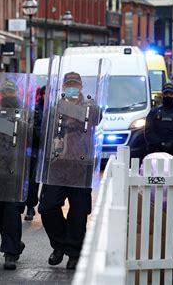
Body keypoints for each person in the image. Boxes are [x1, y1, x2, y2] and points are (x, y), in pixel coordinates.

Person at [38, 72, 101, 270]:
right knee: (47, 207)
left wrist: (72, 109)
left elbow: (97, 117)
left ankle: (74, 252)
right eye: (68, 84)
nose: (72, 87)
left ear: (81, 87)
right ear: (63, 87)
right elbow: (44, 129)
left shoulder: (90, 107)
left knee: (78, 212)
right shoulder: (55, 108)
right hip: (57, 166)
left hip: (81, 166)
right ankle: (60, 245)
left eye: (75, 84)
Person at [0, 81, 26, 270]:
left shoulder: (24, 117)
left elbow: (34, 138)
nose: (8, 95)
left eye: (11, 91)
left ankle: (10, 252)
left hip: (15, 173)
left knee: (10, 212)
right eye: (5, 92)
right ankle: (14, 243)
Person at [145, 82, 173, 160]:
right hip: (158, 153)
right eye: (166, 93)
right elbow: (148, 131)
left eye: (171, 93)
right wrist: (161, 143)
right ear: (162, 94)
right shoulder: (155, 112)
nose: (168, 95)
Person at [24, 85, 45, 221]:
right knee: (33, 180)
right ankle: (30, 206)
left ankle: (45, 206)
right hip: (37, 149)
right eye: (44, 94)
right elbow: (32, 129)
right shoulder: (36, 109)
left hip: (54, 151)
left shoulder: (58, 108)